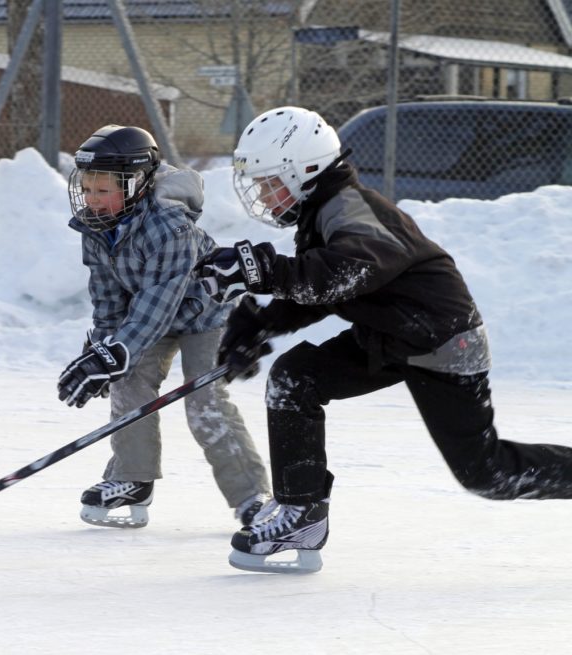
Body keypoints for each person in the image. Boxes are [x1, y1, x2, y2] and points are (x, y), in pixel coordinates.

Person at [195, 105, 572, 573]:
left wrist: (263, 270)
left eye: (270, 182)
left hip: (440, 344)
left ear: (303, 170)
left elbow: (344, 273)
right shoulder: (321, 212)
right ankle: (301, 514)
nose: (264, 196)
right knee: (296, 378)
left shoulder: (350, 209)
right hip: (390, 337)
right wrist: (262, 324)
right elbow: (327, 289)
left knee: (487, 472)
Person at [57, 124, 271, 530]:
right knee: (128, 381)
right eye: (86, 189)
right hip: (150, 315)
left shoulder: (169, 226)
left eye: (103, 190)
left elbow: (159, 302)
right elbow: (108, 301)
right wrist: (104, 351)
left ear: (135, 184)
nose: (92, 199)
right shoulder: (96, 226)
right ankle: (132, 479)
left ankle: (252, 497)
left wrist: (118, 351)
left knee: (204, 402)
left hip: (205, 314)